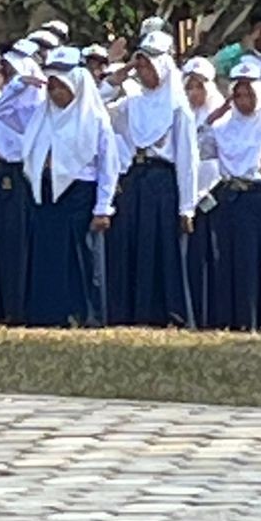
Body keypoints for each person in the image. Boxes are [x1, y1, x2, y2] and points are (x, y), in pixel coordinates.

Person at [107, 29, 199, 327]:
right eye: (141, 65)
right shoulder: (132, 103)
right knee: (133, 241)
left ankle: (165, 311)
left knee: (160, 244)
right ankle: (132, 309)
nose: (144, 72)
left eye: (149, 65)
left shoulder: (177, 108)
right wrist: (115, 79)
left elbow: (187, 159)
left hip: (162, 181)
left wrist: (187, 205)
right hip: (136, 178)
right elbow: (97, 111)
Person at [20, 49, 118, 328]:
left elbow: (108, 166)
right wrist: (20, 84)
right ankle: (49, 314)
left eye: (61, 87)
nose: (56, 93)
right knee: (49, 255)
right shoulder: (43, 115)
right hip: (47, 193)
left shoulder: (95, 118)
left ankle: (86, 314)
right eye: (51, 87)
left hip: (81, 193)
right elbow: (0, 112)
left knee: (82, 258)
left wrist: (103, 207)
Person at [200, 56, 261, 332]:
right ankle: (228, 317)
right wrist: (210, 120)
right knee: (226, 257)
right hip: (229, 197)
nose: (243, 101)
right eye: (237, 95)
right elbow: (203, 150)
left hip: (257, 200)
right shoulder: (223, 127)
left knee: (255, 261)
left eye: (249, 94)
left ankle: (258, 318)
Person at [0, 43, 45, 325]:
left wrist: (25, 83)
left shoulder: (40, 107)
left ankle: (21, 306)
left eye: (13, 71)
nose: (6, 75)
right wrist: (15, 84)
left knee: (23, 242)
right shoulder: (2, 103)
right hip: (0, 171)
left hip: (27, 174)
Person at [182, 56, 225, 326]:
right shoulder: (180, 115)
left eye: (199, 87)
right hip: (187, 193)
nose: (194, 93)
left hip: (214, 191)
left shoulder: (224, 115)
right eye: (189, 87)